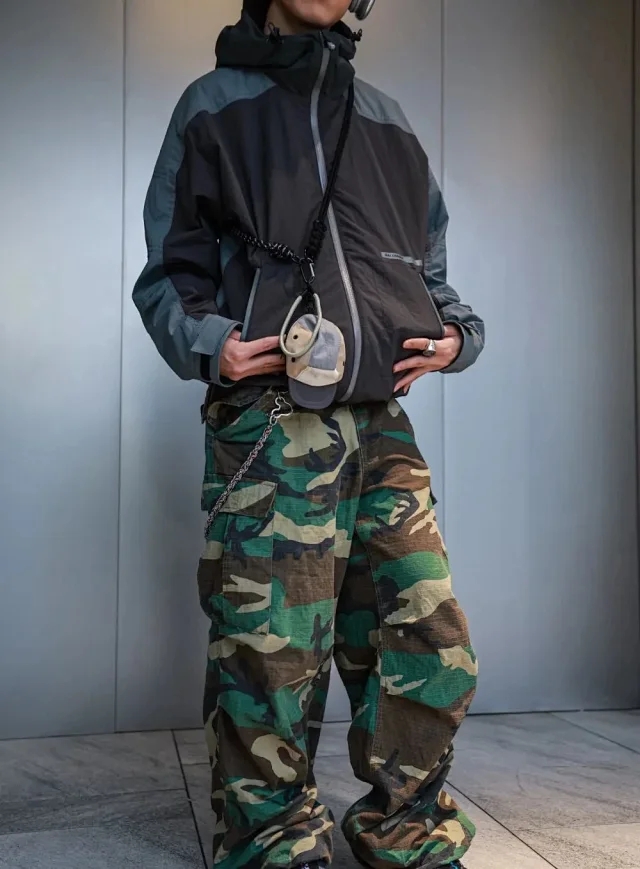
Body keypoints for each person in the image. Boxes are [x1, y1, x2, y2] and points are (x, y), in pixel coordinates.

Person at [133, 1, 485, 867]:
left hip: (381, 424)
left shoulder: (388, 122)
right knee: (271, 651)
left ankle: (408, 826)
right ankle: (271, 842)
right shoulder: (213, 106)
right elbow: (168, 277)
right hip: (271, 419)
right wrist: (215, 344)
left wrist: (457, 333)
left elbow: (428, 272)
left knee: (427, 636)